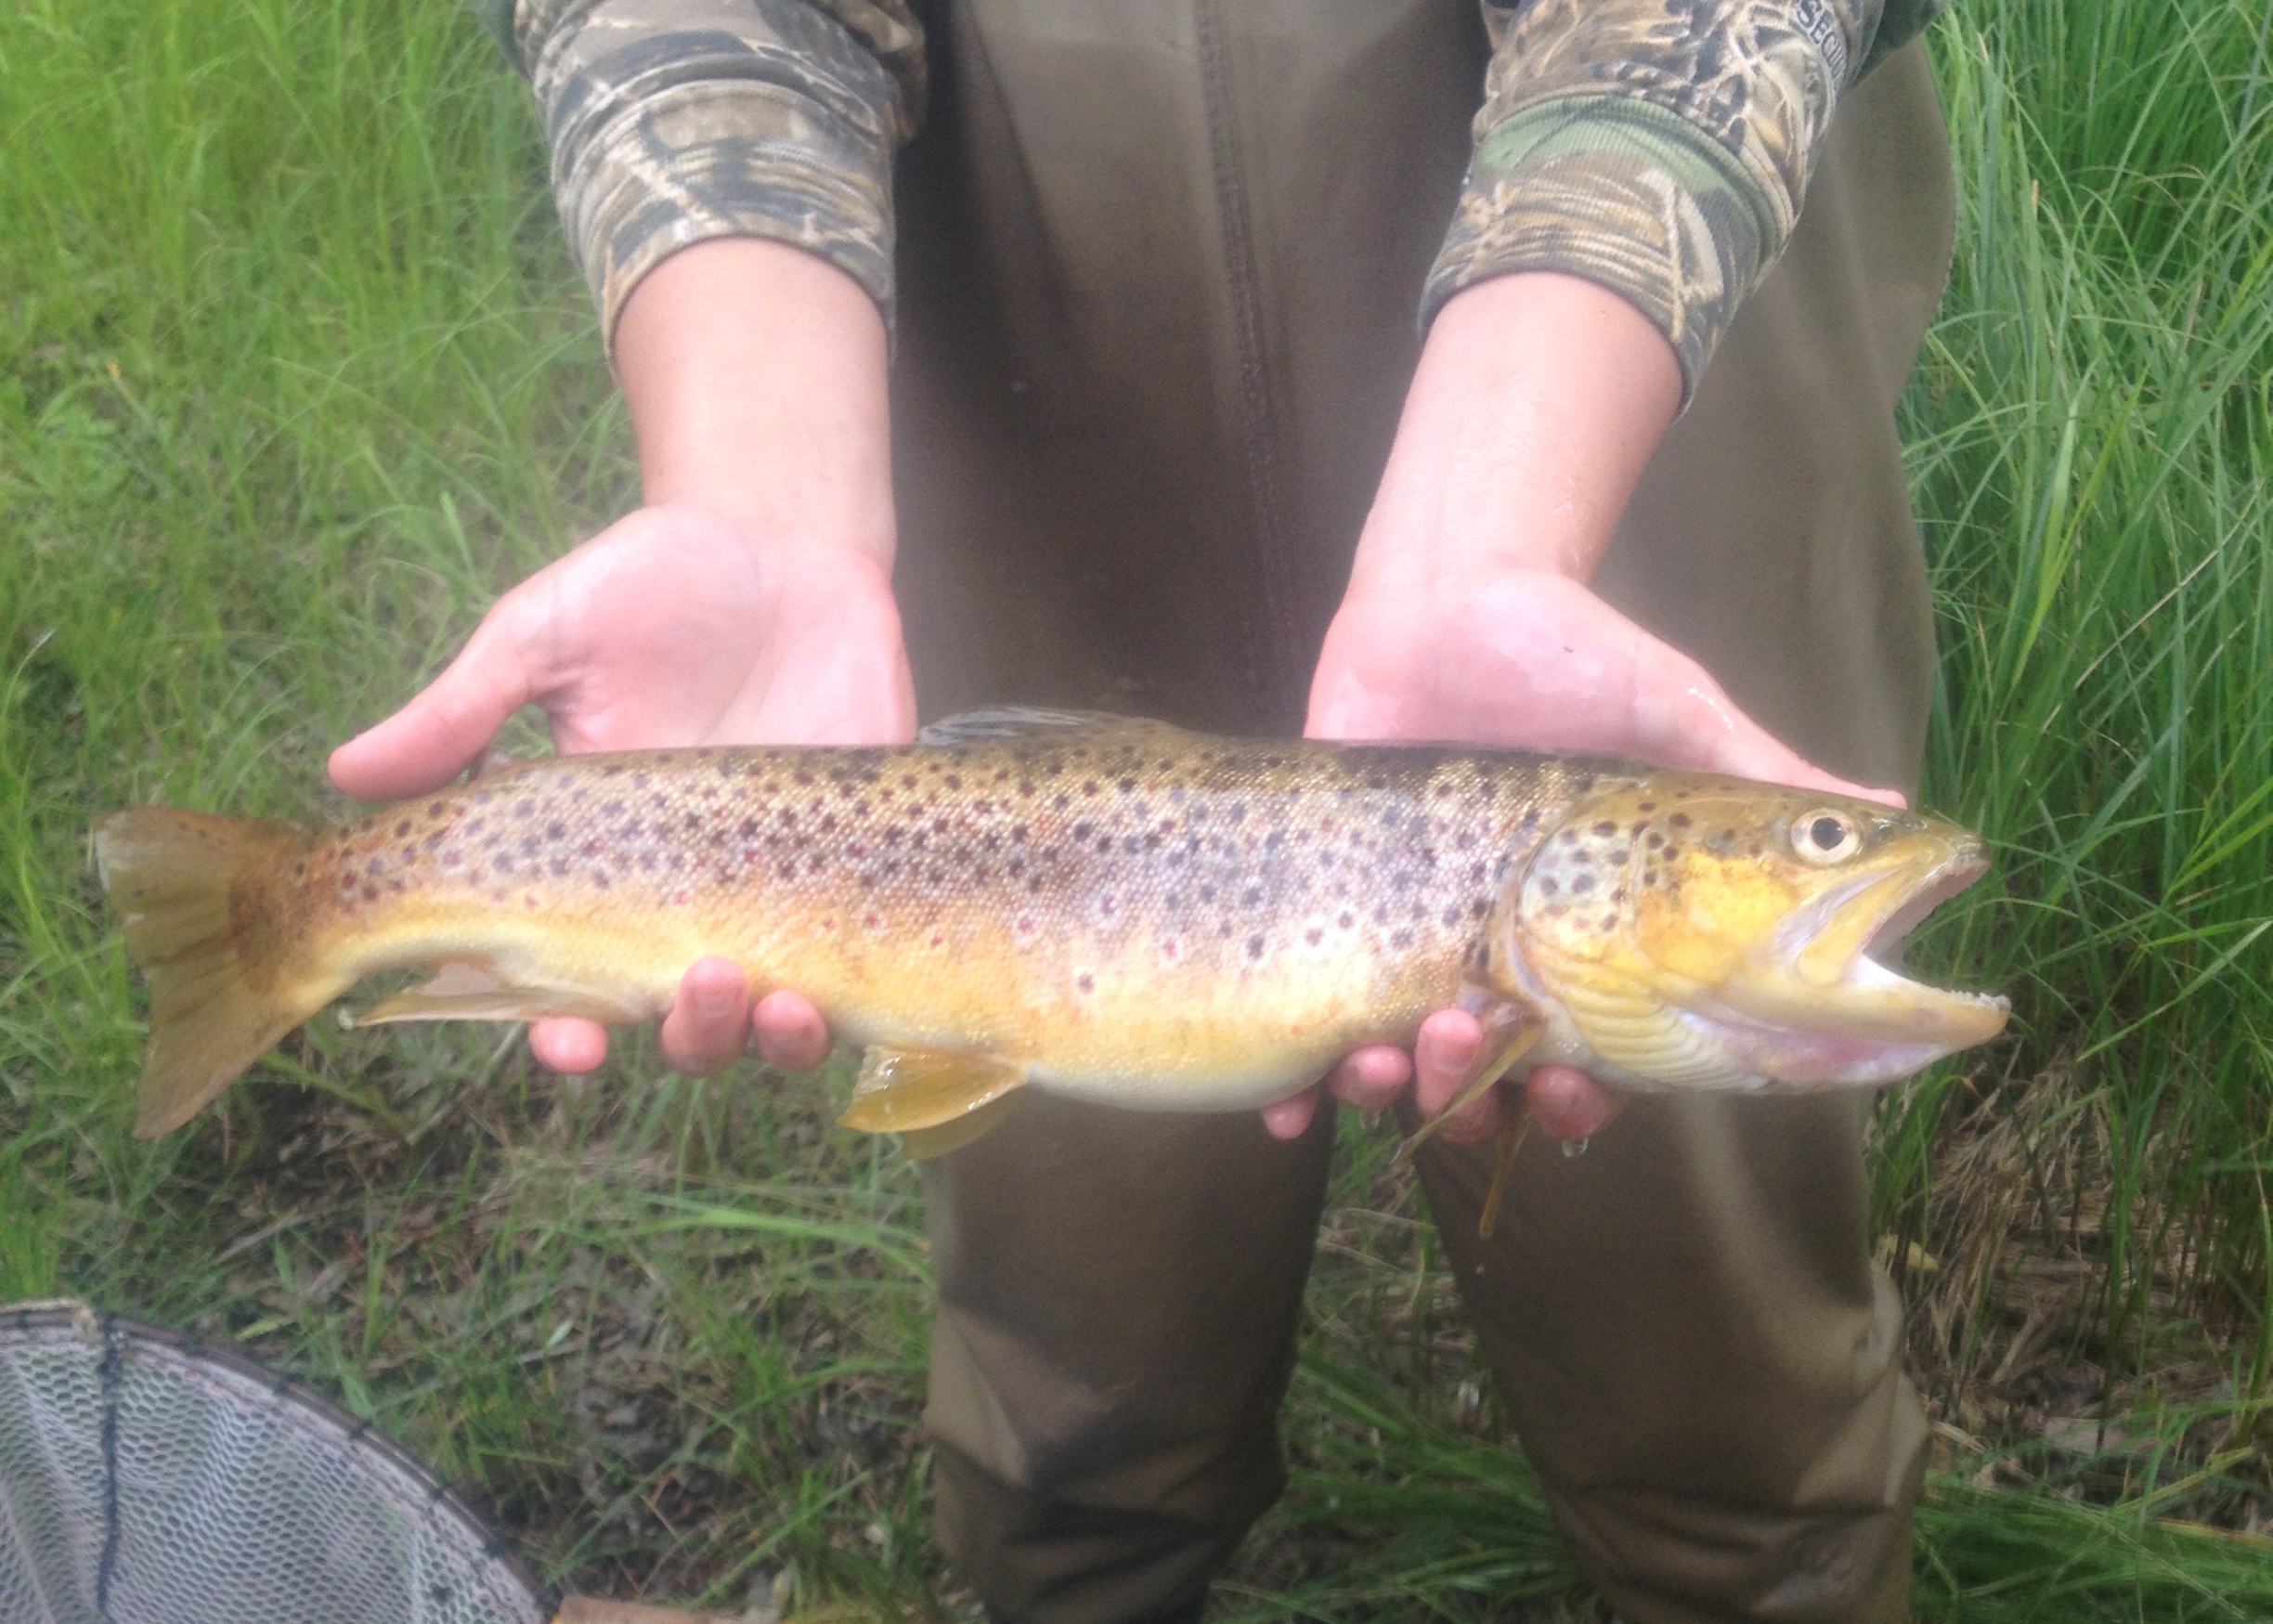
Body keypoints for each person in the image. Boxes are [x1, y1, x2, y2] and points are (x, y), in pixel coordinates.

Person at [331, 3, 1958, 1618]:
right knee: (1079, 1370)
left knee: (1725, 1379)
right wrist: (760, 497)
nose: (1841, 854)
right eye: (1813, 842)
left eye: (1809, 849)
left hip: (1615, 364)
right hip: (1009, 326)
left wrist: (1497, 522)